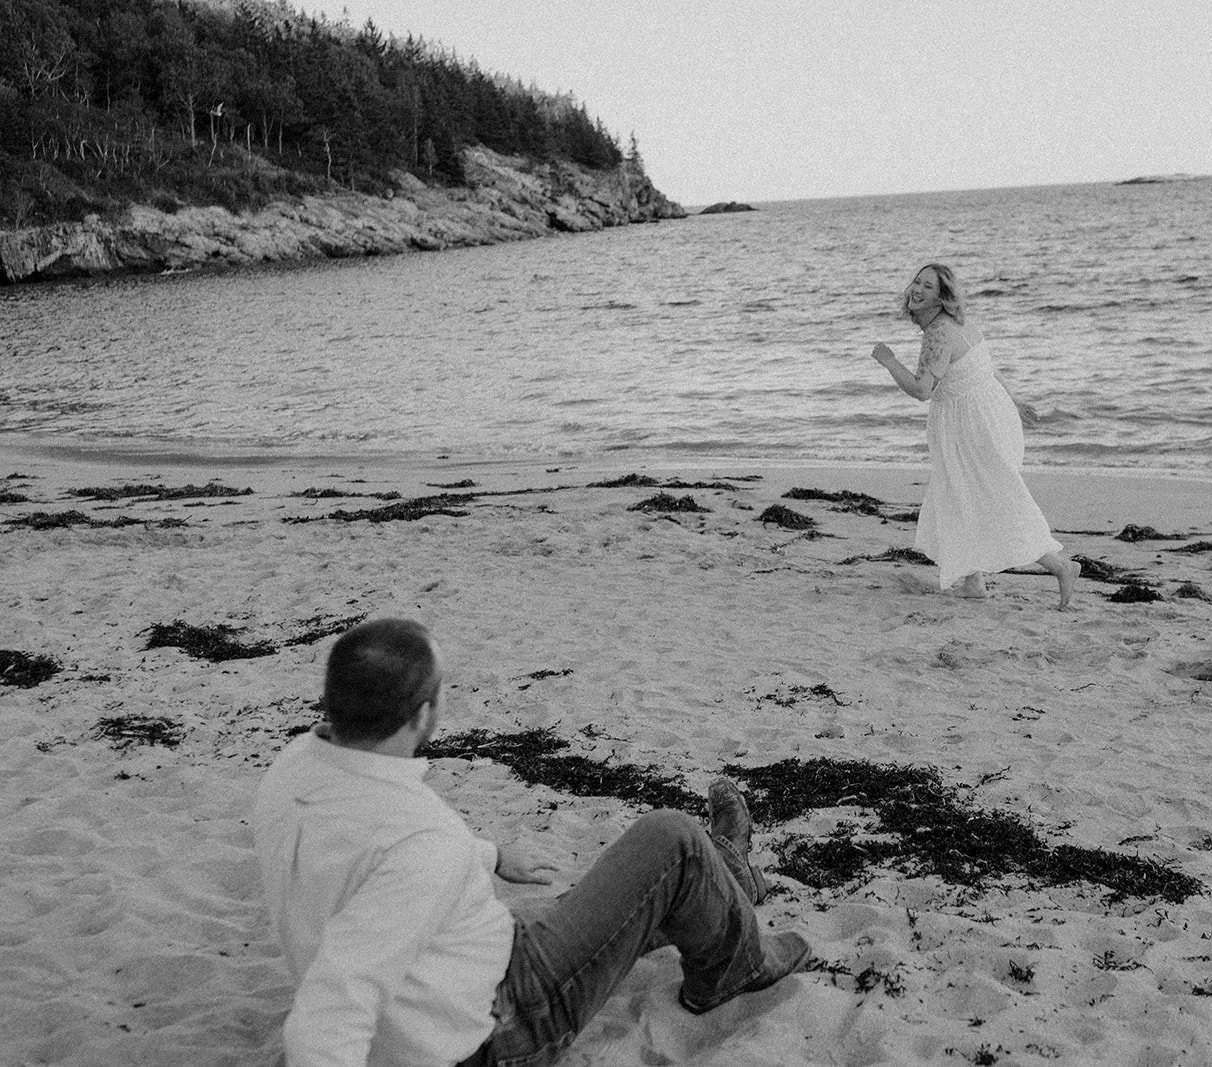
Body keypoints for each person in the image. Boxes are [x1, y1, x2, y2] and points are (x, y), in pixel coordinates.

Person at [252, 618, 810, 1067]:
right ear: (424, 714)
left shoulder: (293, 769)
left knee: (628, 898)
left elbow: (371, 858)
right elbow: (330, 1009)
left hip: (444, 977)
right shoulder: (422, 841)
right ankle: (736, 963)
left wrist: (488, 855)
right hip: (503, 1020)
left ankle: (729, 875)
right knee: (673, 839)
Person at [870, 262, 1079, 610]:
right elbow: (986, 368)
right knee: (961, 497)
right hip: (985, 414)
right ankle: (973, 582)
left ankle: (1061, 566)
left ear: (942, 297)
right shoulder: (960, 323)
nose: (917, 289)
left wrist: (889, 361)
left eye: (928, 286)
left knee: (992, 500)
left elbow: (922, 390)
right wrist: (1014, 402)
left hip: (969, 425)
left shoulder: (939, 333)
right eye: (917, 282)